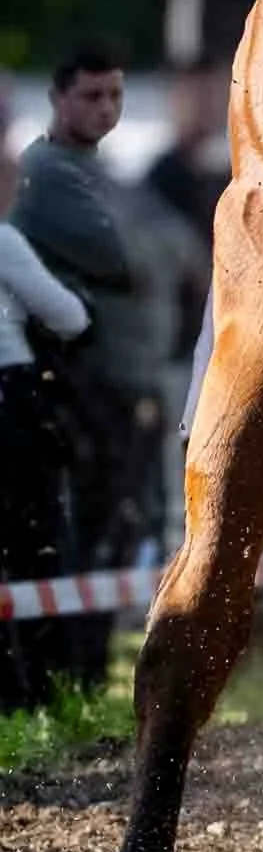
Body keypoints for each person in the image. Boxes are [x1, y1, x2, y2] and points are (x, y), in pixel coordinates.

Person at [11, 49, 198, 685]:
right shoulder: (43, 177)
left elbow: (187, 255)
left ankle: (84, 677)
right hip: (79, 390)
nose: (107, 109)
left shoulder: (116, 179)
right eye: (91, 97)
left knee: (124, 533)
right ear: (60, 101)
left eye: (115, 96)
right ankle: (58, 680)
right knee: (74, 536)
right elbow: (123, 265)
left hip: (138, 385)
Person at [0, 139, 91, 710]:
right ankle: (49, 691)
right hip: (12, 397)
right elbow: (68, 315)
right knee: (38, 544)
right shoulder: (5, 240)